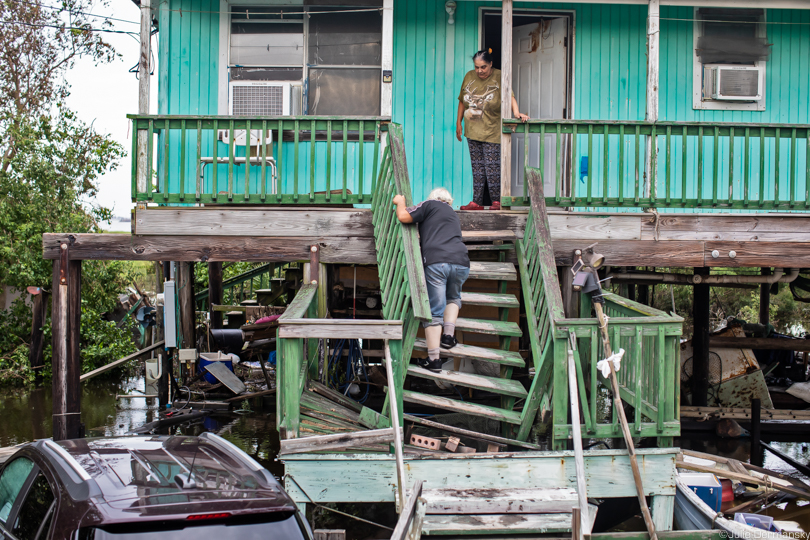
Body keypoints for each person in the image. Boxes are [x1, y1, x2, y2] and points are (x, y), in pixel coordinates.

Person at [392, 188, 469, 373]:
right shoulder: (452, 213)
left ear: (433, 198)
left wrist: (399, 201)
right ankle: (448, 337)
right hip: (461, 262)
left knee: (435, 311)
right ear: (449, 201)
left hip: (438, 262)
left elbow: (403, 216)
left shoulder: (429, 205)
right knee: (453, 297)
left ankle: (434, 360)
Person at [456, 48, 529, 211]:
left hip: (492, 130)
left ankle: (497, 201)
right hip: (472, 130)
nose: (479, 71)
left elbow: (510, 96)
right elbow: (462, 100)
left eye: (483, 67)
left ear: (490, 64)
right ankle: (476, 202)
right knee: (477, 168)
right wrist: (458, 123)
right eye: (476, 67)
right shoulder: (469, 76)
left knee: (492, 167)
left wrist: (516, 113)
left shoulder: (499, 76)